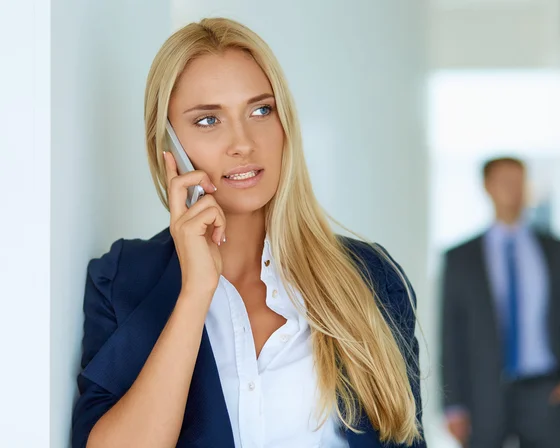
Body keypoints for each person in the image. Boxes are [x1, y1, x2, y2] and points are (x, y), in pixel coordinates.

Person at [71, 17, 426, 448]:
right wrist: (195, 294)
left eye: (261, 110)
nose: (242, 142)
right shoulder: (122, 279)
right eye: (207, 120)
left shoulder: (370, 278)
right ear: (168, 145)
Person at [440, 157, 560, 448]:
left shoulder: (555, 250)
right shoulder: (461, 258)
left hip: (545, 392)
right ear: (487, 187)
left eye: (519, 181)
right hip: (483, 395)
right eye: (504, 181)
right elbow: (451, 333)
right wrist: (453, 404)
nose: (513, 189)